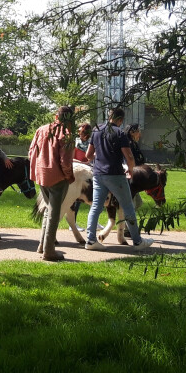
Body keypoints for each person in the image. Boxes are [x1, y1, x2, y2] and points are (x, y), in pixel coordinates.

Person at [83, 107, 154, 252]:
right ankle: (137, 241)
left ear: (109, 116)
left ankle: (90, 240)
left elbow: (88, 155)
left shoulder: (96, 130)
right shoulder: (119, 133)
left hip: (98, 174)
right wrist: (131, 169)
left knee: (96, 206)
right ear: (120, 120)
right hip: (115, 174)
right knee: (128, 206)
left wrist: (100, 157)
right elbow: (129, 156)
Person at [29, 106, 76, 261]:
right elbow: (65, 162)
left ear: (56, 116)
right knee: (54, 214)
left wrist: (36, 170)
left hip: (41, 175)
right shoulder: (66, 134)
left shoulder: (41, 129)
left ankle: (42, 245)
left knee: (49, 211)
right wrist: (69, 176)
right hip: (57, 177)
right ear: (70, 119)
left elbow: (31, 152)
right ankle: (49, 251)